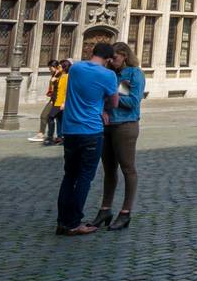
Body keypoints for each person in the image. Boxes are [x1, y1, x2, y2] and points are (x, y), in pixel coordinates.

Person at [54, 43, 119, 236]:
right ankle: (74, 223)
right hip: (91, 130)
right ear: (108, 60)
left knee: (69, 176)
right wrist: (103, 106)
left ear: (92, 52)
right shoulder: (108, 75)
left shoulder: (76, 68)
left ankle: (62, 222)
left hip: (70, 129)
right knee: (84, 178)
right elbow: (114, 102)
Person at [87, 42, 145, 232]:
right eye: (110, 58)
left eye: (115, 58)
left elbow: (133, 101)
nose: (112, 61)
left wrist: (111, 98)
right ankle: (105, 209)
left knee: (128, 169)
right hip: (106, 126)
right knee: (109, 170)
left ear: (125, 55)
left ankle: (126, 211)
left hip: (125, 126)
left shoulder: (134, 74)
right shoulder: (110, 74)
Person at [31, 61, 64, 143]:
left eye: (50, 68)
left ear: (55, 67)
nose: (49, 69)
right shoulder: (55, 74)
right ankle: (51, 136)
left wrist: (55, 100)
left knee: (46, 116)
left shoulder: (61, 75)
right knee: (52, 117)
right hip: (53, 99)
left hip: (57, 100)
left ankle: (46, 135)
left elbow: (59, 89)